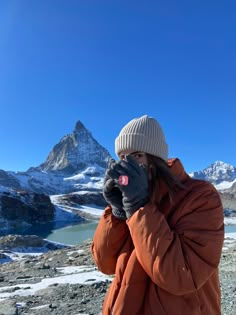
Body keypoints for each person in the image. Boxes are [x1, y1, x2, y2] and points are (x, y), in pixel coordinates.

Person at [91, 115, 224, 315]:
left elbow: (183, 275)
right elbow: (105, 264)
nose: (127, 164)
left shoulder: (200, 196)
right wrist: (117, 213)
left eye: (136, 155)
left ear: (155, 160)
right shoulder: (129, 200)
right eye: (122, 157)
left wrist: (140, 208)